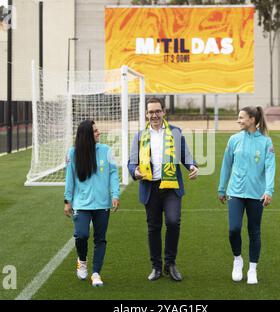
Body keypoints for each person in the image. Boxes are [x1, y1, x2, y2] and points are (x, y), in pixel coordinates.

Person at [128, 97, 198, 282]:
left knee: (174, 222)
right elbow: (131, 162)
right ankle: (156, 267)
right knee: (153, 228)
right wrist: (134, 171)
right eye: (151, 112)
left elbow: (185, 154)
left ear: (164, 112)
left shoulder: (175, 132)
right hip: (150, 187)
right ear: (146, 114)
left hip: (171, 187)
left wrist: (192, 166)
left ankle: (171, 264)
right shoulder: (139, 136)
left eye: (157, 111)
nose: (154, 115)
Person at [218, 106, 276, 285]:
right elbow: (226, 165)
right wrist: (222, 188)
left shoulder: (266, 142)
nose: (238, 120)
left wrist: (268, 191)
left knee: (254, 231)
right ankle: (237, 260)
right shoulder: (234, 139)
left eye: (241, 117)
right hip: (234, 192)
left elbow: (270, 168)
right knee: (233, 229)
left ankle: (252, 269)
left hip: (256, 194)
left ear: (252, 119)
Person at [64, 119, 120, 287]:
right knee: (81, 235)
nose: (99, 133)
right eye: (95, 131)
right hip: (81, 205)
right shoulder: (73, 153)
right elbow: (70, 178)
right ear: (87, 135)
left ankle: (96, 273)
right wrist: (68, 201)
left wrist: (115, 194)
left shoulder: (107, 151)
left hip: (102, 205)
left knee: (100, 239)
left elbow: (113, 174)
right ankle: (82, 260)